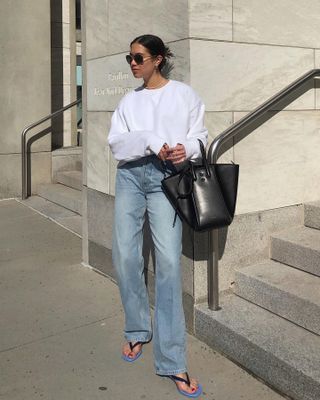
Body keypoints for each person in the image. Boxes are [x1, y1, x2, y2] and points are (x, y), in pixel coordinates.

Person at [107, 34, 208, 398]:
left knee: (167, 262)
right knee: (124, 254)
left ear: (158, 59)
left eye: (138, 57)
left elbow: (201, 137)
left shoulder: (184, 95)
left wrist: (188, 149)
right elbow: (116, 142)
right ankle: (136, 329)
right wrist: (150, 138)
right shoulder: (128, 101)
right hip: (132, 176)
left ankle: (172, 360)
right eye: (129, 57)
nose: (133, 63)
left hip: (168, 179)